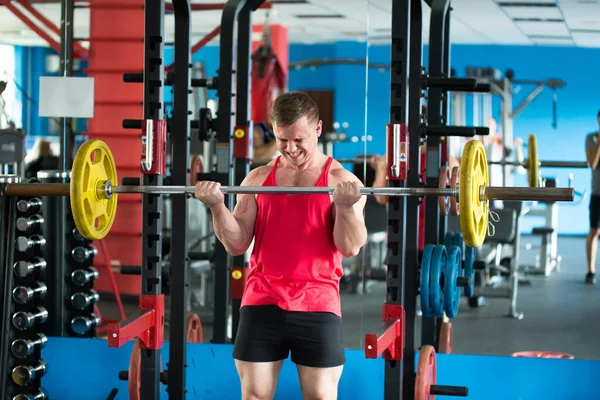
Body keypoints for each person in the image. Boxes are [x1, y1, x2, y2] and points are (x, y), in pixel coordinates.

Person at [194, 91, 368, 400]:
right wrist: (218, 207)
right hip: (262, 299)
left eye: (298, 140)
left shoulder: (342, 181)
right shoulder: (258, 178)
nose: (290, 148)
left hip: (318, 300)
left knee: (320, 397)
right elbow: (237, 245)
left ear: (318, 129)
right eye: (282, 139)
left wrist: (343, 207)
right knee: (255, 396)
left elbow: (351, 247)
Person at [584, 109, 600, 285]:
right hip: (598, 193)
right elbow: (593, 164)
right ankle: (590, 271)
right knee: (594, 231)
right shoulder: (592, 139)